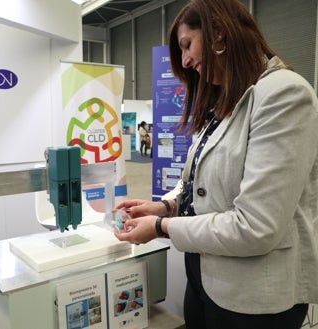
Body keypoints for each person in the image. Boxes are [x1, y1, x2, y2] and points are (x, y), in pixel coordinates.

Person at [114, 1, 318, 328]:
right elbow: (196, 180)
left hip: (253, 301)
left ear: (219, 33)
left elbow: (256, 226)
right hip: (205, 281)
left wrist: (158, 228)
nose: (184, 61)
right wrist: (164, 207)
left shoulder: (284, 96)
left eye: (187, 45)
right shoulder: (227, 100)